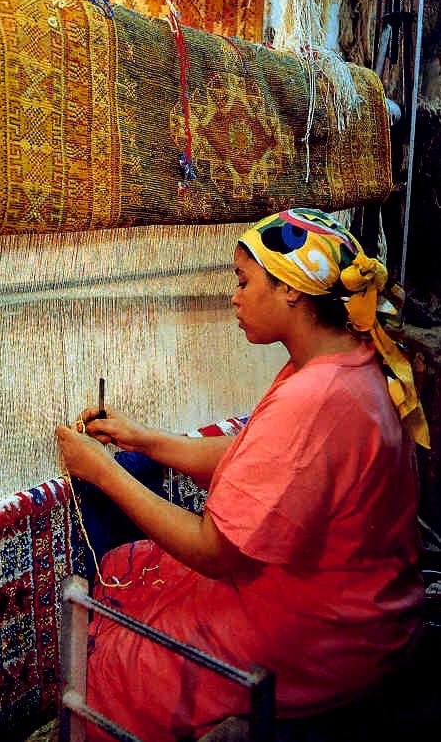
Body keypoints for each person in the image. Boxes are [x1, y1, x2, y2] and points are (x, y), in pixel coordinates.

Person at [56, 207, 429, 742]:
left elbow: (215, 551)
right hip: (365, 604)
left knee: (118, 663)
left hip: (329, 634)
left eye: (243, 281)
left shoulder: (315, 397)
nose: (234, 296)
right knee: (127, 571)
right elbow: (259, 456)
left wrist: (104, 474)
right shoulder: (347, 359)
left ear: (292, 292)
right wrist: (143, 440)